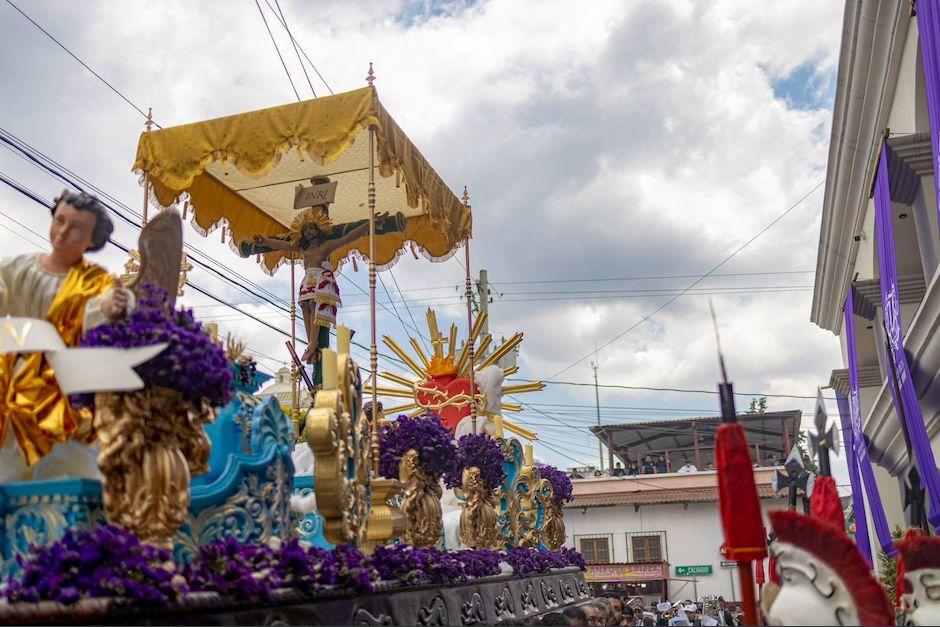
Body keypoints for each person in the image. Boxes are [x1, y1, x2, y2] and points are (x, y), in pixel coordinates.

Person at [0, 190, 134, 482]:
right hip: (12, 368)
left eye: (76, 228)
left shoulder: (97, 282)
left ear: (92, 239)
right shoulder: (18, 268)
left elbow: (104, 308)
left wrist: (111, 308)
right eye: (60, 221)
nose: (62, 232)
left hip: (63, 377)